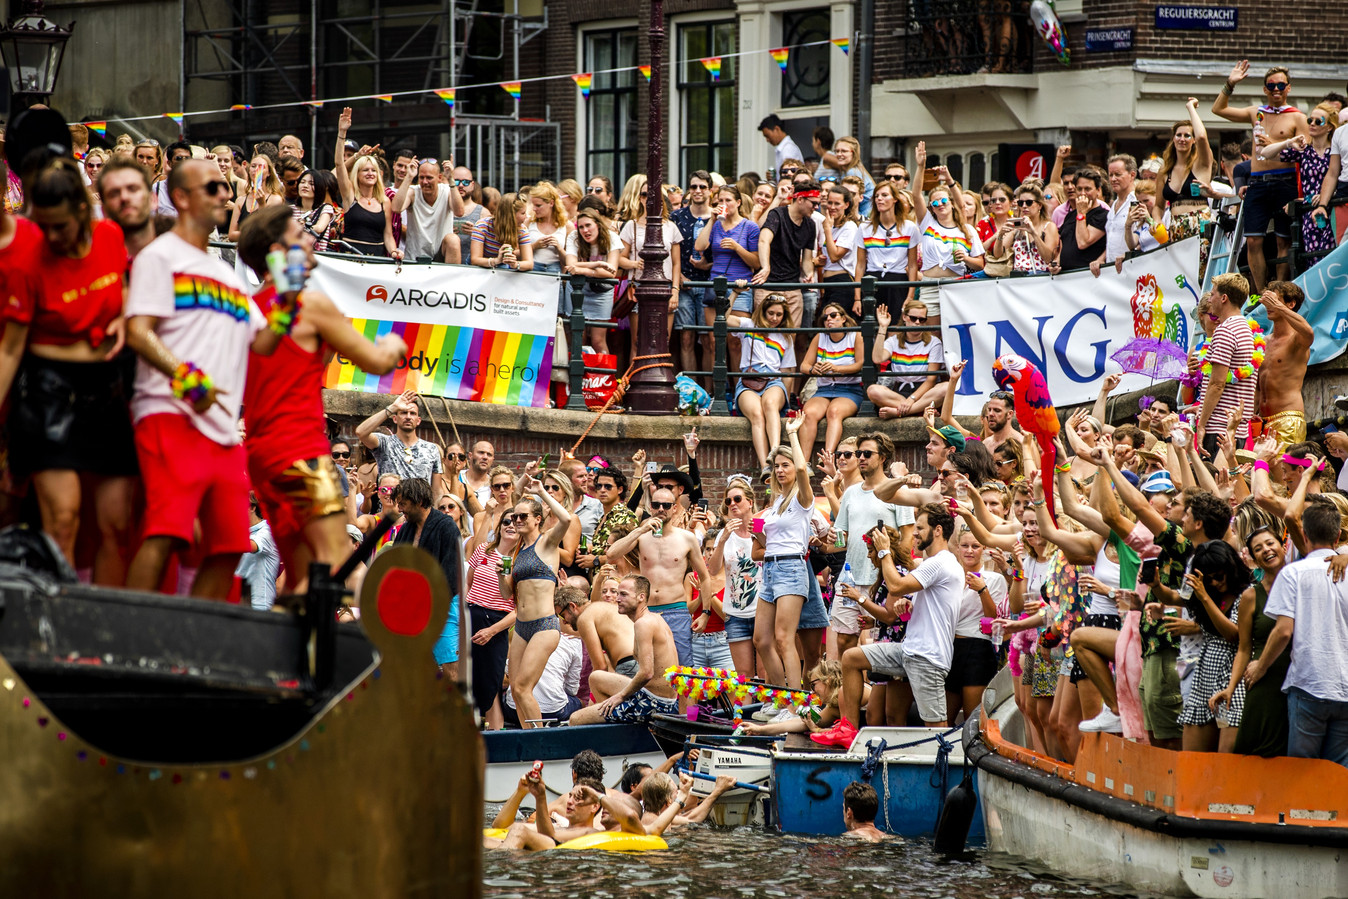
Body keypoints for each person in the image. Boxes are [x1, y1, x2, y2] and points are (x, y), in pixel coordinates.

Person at [123, 159, 283, 599]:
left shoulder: (225, 275)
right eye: (213, 187)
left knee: (230, 545)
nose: (226, 195)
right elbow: (137, 330)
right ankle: (128, 634)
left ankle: (193, 642)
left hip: (223, 431)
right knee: (166, 532)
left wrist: (287, 291)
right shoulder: (160, 256)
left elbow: (264, 342)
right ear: (181, 197)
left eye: (226, 187)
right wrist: (184, 375)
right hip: (169, 414)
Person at [236, 205, 406, 593]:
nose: (311, 240)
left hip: (263, 457)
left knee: (302, 575)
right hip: (301, 450)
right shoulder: (309, 305)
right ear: (280, 250)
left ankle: (294, 652)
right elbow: (377, 361)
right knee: (330, 565)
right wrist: (393, 344)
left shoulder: (246, 309)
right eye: (301, 234)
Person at [0, 158, 138, 583]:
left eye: (60, 226)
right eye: (44, 226)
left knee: (115, 525)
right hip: (49, 394)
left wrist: (125, 315)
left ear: (81, 210)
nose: (52, 237)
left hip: (108, 393)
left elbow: (128, 289)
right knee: (63, 520)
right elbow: (10, 349)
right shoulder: (30, 257)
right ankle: (57, 632)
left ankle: (104, 637)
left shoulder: (111, 236)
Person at [817, 502, 964, 747]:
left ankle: (946, 768)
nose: (914, 533)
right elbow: (925, 607)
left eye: (919, 527)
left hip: (928, 658)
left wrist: (885, 550)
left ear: (938, 530)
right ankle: (849, 730)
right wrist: (908, 607)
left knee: (937, 730)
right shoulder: (931, 563)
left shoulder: (942, 562)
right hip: (908, 650)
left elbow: (895, 586)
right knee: (851, 658)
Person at [1247, 501, 1348, 767]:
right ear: (1337, 536)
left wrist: (1260, 666)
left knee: (1301, 771)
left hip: (1308, 683)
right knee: (1338, 771)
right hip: (1345, 687)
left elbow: (1283, 631)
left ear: (1303, 536)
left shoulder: (1293, 573)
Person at [1212, 62, 1309, 289]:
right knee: (1254, 239)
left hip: (1285, 181)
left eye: (1281, 85)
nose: (1276, 89)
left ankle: (1280, 289)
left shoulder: (1298, 117)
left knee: (1283, 239)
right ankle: (1260, 291)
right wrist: (1230, 83)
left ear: (1288, 88)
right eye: (1271, 85)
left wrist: (1275, 143)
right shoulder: (1256, 112)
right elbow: (1218, 110)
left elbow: (1306, 150)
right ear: (1265, 89)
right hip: (1258, 182)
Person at [752, 415, 828, 690]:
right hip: (770, 569)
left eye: (785, 465)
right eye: (776, 466)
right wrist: (756, 532)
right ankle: (780, 696)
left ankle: (795, 703)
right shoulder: (776, 503)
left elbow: (802, 470)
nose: (780, 470)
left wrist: (793, 434)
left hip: (791, 568)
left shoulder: (801, 498)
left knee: (785, 639)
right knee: (761, 640)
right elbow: (767, 543)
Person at [602, 488, 711, 667]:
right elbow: (612, 554)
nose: (661, 509)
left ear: (675, 508)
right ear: (650, 507)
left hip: (676, 610)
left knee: (682, 668)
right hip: (647, 611)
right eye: (656, 505)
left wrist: (706, 612)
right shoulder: (642, 536)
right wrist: (640, 530)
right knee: (647, 667)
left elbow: (705, 577)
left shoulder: (686, 538)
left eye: (666, 505)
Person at [499, 476, 572, 728]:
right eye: (513, 517)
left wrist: (541, 491)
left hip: (544, 625)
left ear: (537, 519)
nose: (517, 521)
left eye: (523, 517)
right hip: (521, 627)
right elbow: (507, 594)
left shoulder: (548, 542)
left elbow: (567, 519)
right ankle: (528, 737)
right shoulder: (517, 551)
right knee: (515, 692)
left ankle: (539, 741)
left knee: (521, 687)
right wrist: (502, 572)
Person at [833, 433, 914, 657]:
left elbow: (908, 536)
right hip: (849, 577)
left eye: (867, 454)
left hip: (881, 578)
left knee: (877, 643)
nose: (861, 458)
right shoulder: (850, 493)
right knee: (844, 642)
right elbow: (843, 537)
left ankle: (870, 690)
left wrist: (896, 573)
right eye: (859, 453)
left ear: (883, 458)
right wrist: (827, 541)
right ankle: (846, 692)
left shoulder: (898, 490)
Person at [569, 575, 681, 725]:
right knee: (596, 677)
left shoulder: (643, 624)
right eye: (618, 593)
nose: (617, 599)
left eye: (623, 594)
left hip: (654, 703)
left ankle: (608, 721)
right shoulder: (654, 618)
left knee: (575, 719)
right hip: (661, 697)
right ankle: (608, 721)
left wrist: (620, 696)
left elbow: (647, 673)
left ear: (641, 597)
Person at [910, 142, 984, 325]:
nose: (939, 205)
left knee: (954, 332)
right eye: (934, 203)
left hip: (955, 284)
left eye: (943, 200)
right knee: (933, 334)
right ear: (931, 208)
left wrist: (966, 259)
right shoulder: (927, 223)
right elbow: (916, 195)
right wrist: (920, 166)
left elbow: (981, 264)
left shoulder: (967, 230)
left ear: (950, 202)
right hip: (929, 285)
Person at [1263, 104, 1339, 265]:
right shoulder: (1305, 151)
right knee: (1312, 258)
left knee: (1332, 256)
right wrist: (1289, 142)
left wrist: (1329, 194)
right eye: (1310, 120)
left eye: (1318, 121)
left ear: (1329, 128)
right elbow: (1265, 153)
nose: (1312, 124)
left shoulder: (1336, 150)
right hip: (1309, 211)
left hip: (1332, 208)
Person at [726, 294, 795, 470]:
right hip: (748, 380)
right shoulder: (749, 325)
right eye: (770, 313)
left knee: (770, 404)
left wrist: (788, 402)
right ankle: (766, 466)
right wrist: (734, 294)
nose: (774, 318)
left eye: (779, 315)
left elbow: (787, 372)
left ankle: (775, 453)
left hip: (773, 381)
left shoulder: (785, 337)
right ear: (762, 312)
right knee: (756, 413)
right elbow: (724, 319)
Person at [503, 586, 585, 725]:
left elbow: (509, 673)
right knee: (523, 691)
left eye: (563, 616)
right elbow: (572, 689)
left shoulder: (523, 632)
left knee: (518, 692)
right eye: (561, 617)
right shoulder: (571, 640)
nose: (564, 621)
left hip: (517, 706)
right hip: (550, 708)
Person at [1195, 273, 1258, 451]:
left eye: (1213, 294)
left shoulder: (1225, 331)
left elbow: (1217, 384)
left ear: (1224, 298)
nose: (1210, 298)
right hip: (1236, 428)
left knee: (1216, 479)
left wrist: (1201, 423)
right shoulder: (1247, 328)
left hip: (1218, 427)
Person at [1248, 282, 1312, 450]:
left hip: (1288, 419)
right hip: (1261, 422)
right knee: (1259, 474)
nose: (1269, 306)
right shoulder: (1263, 342)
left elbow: (1309, 333)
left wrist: (1279, 307)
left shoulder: (1297, 339)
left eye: (1275, 300)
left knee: (1285, 473)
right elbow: (1258, 387)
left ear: (1291, 304)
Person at [333, 109, 404, 259]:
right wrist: (342, 133)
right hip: (350, 256)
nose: (370, 173)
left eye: (373, 170)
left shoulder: (384, 201)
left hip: (376, 258)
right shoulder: (350, 195)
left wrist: (394, 251)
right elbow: (339, 164)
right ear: (357, 175)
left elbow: (388, 235)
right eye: (365, 170)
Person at [798, 302, 864, 459]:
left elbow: (861, 364)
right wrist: (812, 370)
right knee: (808, 413)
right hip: (824, 389)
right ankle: (803, 463)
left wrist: (836, 369)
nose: (829, 319)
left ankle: (828, 458)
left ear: (843, 319)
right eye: (825, 317)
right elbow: (804, 365)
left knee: (834, 412)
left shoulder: (855, 336)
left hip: (849, 388)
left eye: (833, 315)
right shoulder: (820, 337)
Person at [709, 479, 760, 675]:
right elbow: (713, 570)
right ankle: (746, 708)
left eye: (737, 499)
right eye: (728, 501)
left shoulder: (763, 528)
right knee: (743, 677)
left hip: (762, 610)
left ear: (750, 502)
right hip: (735, 614)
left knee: (766, 676)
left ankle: (769, 707)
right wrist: (722, 540)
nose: (732, 504)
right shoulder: (724, 533)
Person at [354, 387, 444, 492]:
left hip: (420, 507)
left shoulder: (432, 449)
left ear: (418, 420)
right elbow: (361, 432)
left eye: (413, 413)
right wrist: (393, 407)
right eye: (403, 413)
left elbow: (437, 490)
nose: (408, 417)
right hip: (390, 505)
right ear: (395, 419)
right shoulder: (384, 442)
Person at [868, 298, 945, 419]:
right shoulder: (894, 340)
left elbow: (931, 380)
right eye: (913, 318)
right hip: (899, 392)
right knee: (873, 390)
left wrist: (911, 399)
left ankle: (899, 412)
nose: (918, 322)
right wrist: (883, 327)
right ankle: (919, 410)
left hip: (924, 391)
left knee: (946, 387)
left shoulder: (934, 342)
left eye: (922, 319)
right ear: (904, 317)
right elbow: (878, 359)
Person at [671, 171, 715, 378]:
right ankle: (690, 390)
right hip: (684, 284)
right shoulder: (677, 216)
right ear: (689, 189)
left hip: (709, 285)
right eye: (694, 187)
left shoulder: (717, 216)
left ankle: (709, 391)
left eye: (702, 187)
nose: (698, 191)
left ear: (710, 190)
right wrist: (679, 278)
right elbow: (670, 253)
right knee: (686, 338)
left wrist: (708, 266)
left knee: (708, 340)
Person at [855, 181, 920, 320]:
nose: (879, 198)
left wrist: (910, 297)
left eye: (884, 195)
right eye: (876, 196)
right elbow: (860, 265)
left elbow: (913, 265)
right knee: (871, 327)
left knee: (894, 329)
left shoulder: (909, 227)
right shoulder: (864, 228)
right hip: (872, 281)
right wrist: (856, 298)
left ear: (895, 199)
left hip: (898, 281)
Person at [564, 209, 619, 357]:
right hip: (577, 289)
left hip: (602, 291)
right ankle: (578, 378)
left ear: (598, 225)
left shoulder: (611, 237)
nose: (585, 230)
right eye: (581, 227)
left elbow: (611, 272)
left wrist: (584, 270)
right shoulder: (574, 236)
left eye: (588, 225)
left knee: (598, 340)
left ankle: (603, 378)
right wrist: (597, 265)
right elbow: (570, 266)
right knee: (577, 337)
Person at [563, 576, 636, 683]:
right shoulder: (595, 618)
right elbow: (568, 628)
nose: (607, 595)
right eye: (604, 591)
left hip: (627, 667)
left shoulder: (631, 617)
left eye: (614, 591)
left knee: (595, 680)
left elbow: (601, 667)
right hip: (621, 671)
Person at [395, 160, 461, 263]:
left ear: (439, 178)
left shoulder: (447, 190)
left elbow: (459, 212)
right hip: (415, 258)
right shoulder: (413, 192)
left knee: (453, 240)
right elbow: (396, 208)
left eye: (429, 178)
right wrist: (408, 177)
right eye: (421, 177)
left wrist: (451, 179)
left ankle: (452, 278)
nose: (425, 182)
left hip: (440, 257)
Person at [98, 159, 157, 258]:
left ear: (153, 199)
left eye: (133, 189)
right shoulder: (95, 264)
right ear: (104, 210)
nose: (124, 197)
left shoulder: (183, 255)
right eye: (114, 193)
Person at [226, 153, 286, 241]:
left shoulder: (275, 199)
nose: (256, 169)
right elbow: (231, 235)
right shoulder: (241, 200)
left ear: (269, 172)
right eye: (253, 166)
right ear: (249, 170)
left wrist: (262, 204)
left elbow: (268, 232)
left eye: (261, 167)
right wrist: (254, 233)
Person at [1096, 154, 1138, 276]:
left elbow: (1144, 236)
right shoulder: (1113, 205)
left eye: (1118, 174)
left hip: (1132, 269)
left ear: (1132, 175)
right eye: (1111, 175)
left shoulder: (1137, 201)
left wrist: (1129, 254)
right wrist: (1101, 259)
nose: (1113, 179)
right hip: (1112, 271)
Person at [236, 493, 280, 610]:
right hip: (240, 604)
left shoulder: (266, 531)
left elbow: (251, 546)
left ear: (252, 508)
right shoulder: (243, 532)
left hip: (260, 606)